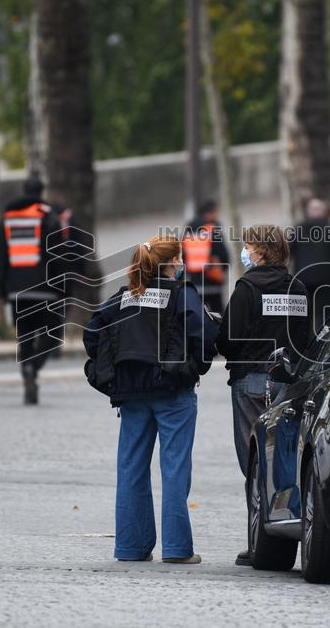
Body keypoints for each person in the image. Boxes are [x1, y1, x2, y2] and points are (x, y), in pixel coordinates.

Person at [83, 235, 218, 564]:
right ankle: (176, 549)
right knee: (174, 470)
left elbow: (92, 332)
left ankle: (130, 547)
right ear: (172, 262)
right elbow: (203, 336)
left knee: (130, 469)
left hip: (131, 393)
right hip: (173, 392)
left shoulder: (126, 295)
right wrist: (192, 368)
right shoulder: (182, 294)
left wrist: (113, 366)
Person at [217, 224, 311, 566]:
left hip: (251, 382)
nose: (244, 252)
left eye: (247, 246)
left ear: (259, 251)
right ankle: (286, 525)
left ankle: (260, 544)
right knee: (284, 460)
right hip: (287, 384)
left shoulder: (246, 288)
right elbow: (306, 340)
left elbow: (227, 339)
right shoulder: (297, 288)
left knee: (254, 463)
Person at [0, 174, 64, 405]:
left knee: (24, 336)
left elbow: (0, 256)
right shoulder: (48, 216)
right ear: (41, 192)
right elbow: (58, 255)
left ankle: (27, 369)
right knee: (51, 337)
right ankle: (34, 367)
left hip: (17, 291)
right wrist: (62, 288)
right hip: (45, 289)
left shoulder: (7, 218)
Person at [289, 197, 330, 335]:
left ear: (308, 212)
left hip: (303, 279)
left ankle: (306, 347)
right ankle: (324, 345)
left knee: (304, 316)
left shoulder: (298, 228)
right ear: (324, 212)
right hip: (328, 279)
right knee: (327, 315)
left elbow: (288, 251)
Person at [182, 200, 230, 313]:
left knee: (197, 316)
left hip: (194, 283)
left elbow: (181, 254)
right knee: (218, 317)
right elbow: (223, 254)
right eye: (215, 212)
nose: (217, 215)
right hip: (213, 281)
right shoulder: (212, 227)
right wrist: (223, 272)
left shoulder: (188, 228)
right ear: (209, 213)